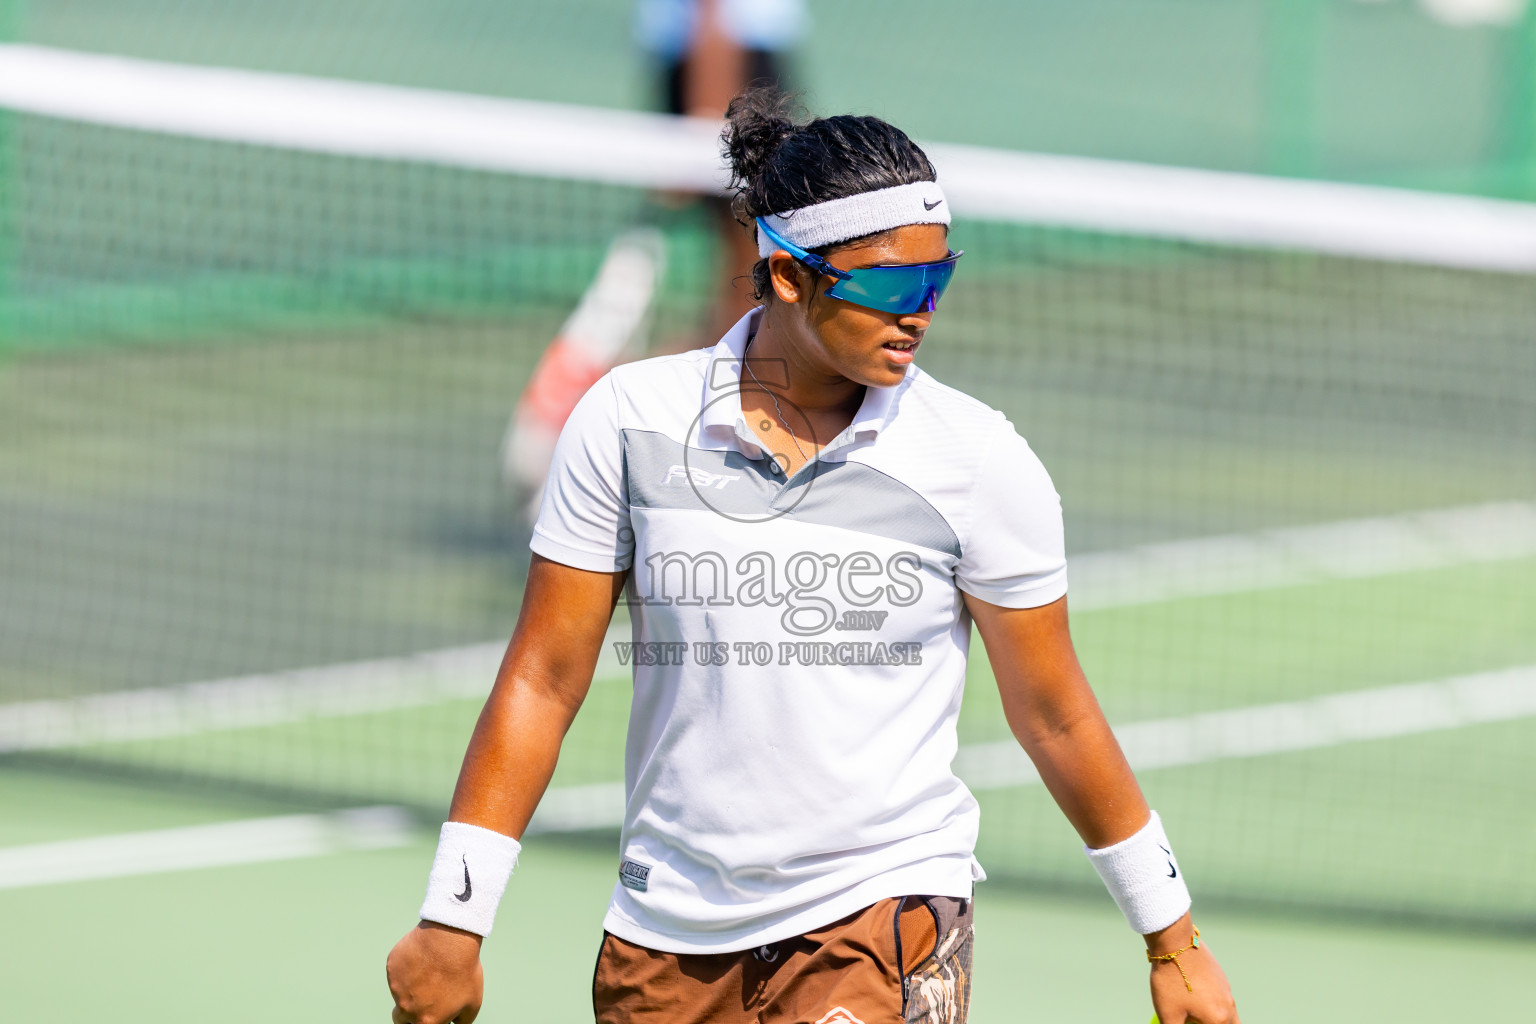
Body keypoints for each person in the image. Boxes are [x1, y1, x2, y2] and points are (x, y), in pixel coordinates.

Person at [388, 89, 1240, 1024]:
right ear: (788, 277)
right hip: (665, 933)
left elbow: (1055, 714)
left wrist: (1172, 936)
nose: (919, 314)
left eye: (936, 280)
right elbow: (543, 678)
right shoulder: (628, 422)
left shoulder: (977, 459)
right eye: (887, 286)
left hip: (885, 911)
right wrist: (453, 916)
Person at [501, 0, 807, 518]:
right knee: (750, 285)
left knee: (748, 286)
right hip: (723, 63)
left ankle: (647, 425)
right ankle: (643, 431)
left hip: (717, 61)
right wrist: (707, 114)